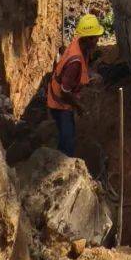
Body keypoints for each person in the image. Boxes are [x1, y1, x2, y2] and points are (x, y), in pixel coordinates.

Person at [45, 13, 103, 157]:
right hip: (60, 103)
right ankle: (63, 166)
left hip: (63, 93)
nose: (98, 40)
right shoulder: (75, 62)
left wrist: (89, 76)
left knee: (66, 134)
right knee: (68, 141)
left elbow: (81, 69)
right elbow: (65, 91)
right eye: (96, 37)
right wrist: (79, 107)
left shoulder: (80, 43)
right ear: (88, 39)